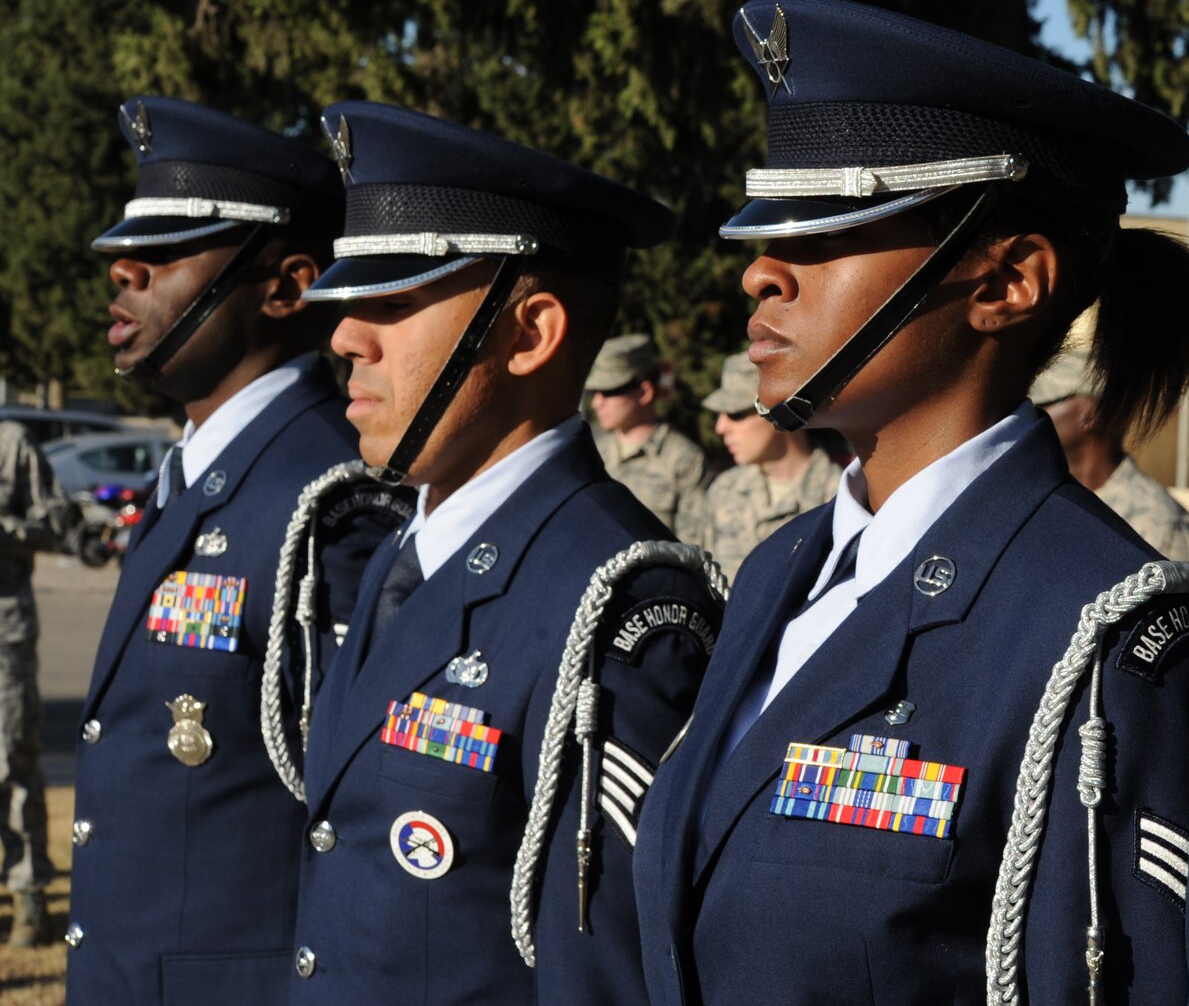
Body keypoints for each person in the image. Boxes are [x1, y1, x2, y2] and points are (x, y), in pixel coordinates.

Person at [632, 0, 1189, 1006]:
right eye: (773, 226)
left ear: (1006, 281)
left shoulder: (1104, 634)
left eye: (830, 230)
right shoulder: (782, 568)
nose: (762, 271)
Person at [287, 100, 721, 1005]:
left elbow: (602, 974)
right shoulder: (405, 548)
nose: (343, 337)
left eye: (395, 302)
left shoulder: (619, 609)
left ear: (530, 332)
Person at [67, 97, 396, 1003]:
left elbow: (357, 818)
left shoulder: (331, 496)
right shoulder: (202, 469)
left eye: (170, 250)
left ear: (287, 286)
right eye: (132, 247)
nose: (123, 268)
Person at [0, 419, 79, 947]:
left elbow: (58, 524)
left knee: (10, 760)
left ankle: (29, 895)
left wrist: (7, 531)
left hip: (4, 631)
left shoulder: (12, 444)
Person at [1031, 349, 1189, 562]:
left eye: (1042, 404)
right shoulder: (1045, 501)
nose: (1031, 415)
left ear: (1091, 414)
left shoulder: (1160, 526)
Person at [697, 351, 842, 579]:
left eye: (736, 414)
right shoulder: (724, 491)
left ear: (781, 411)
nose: (720, 427)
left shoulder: (840, 499)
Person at [587, 334, 709, 540]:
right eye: (595, 393)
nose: (596, 403)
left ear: (644, 392)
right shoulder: (592, 454)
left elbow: (694, 549)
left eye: (608, 391)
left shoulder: (683, 460)